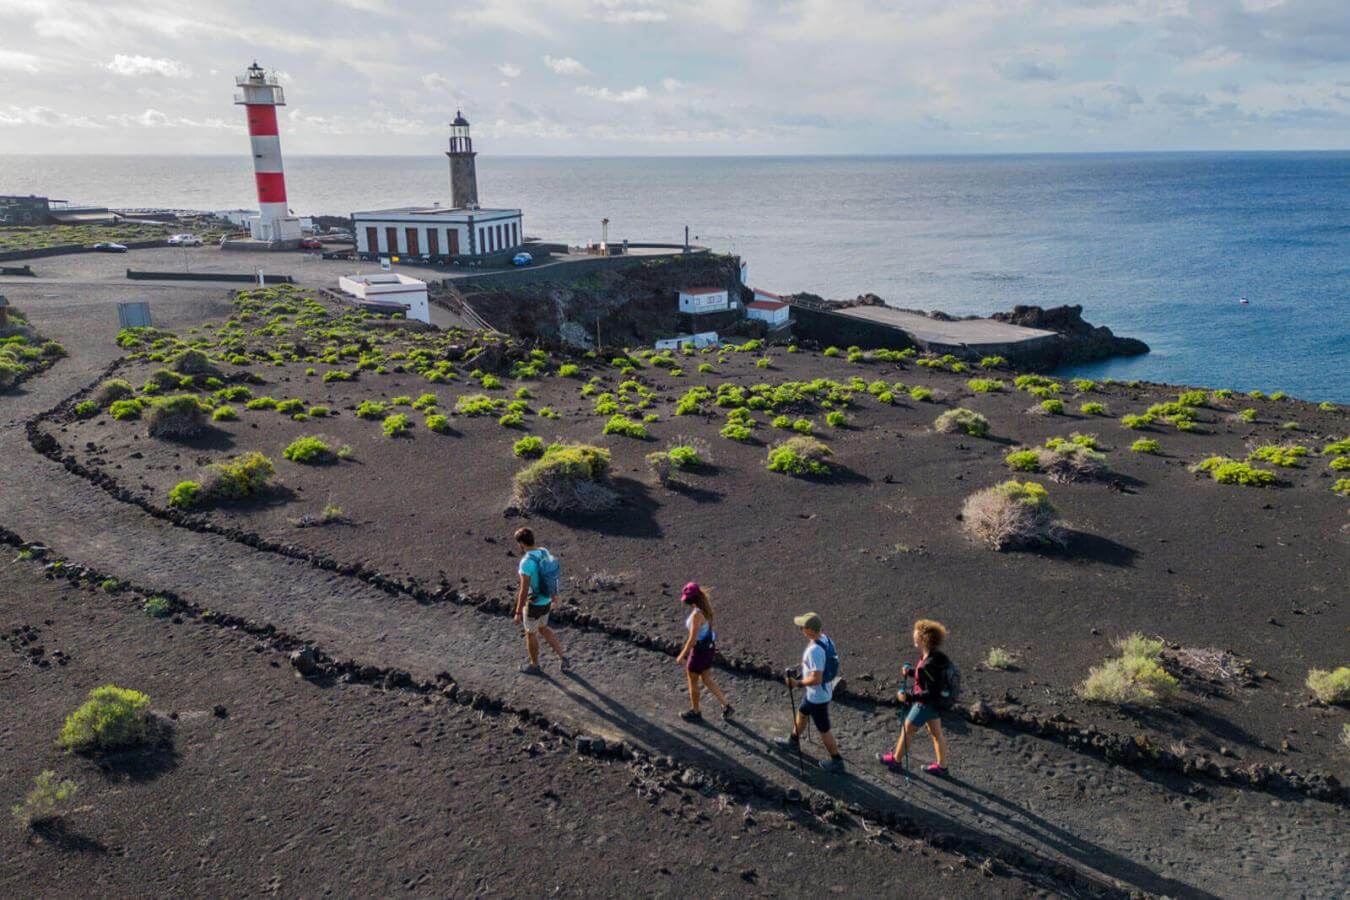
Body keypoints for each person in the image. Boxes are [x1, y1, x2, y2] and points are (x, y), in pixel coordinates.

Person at [878, 619, 951, 776]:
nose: (913, 634)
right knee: (937, 734)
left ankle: (896, 760)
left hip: (925, 704)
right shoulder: (936, 657)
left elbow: (930, 690)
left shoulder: (928, 663)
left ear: (923, 639)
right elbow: (929, 678)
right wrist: (911, 672)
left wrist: (908, 697)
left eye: (916, 633)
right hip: (937, 703)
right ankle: (942, 767)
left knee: (908, 729)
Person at [777, 612, 844, 773]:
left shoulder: (815, 650)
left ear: (811, 630)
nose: (801, 629)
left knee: (824, 729)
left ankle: (837, 761)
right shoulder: (825, 639)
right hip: (820, 692)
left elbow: (817, 678)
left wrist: (797, 683)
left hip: (817, 696)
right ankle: (793, 741)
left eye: (803, 627)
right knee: (802, 712)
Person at [673, 583, 733, 722]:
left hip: (699, 652)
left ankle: (696, 711)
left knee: (693, 681)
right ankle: (726, 705)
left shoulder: (696, 615)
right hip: (709, 649)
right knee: (706, 678)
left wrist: (682, 655)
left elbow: (692, 639)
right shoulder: (707, 609)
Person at [513, 527, 569, 675]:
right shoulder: (544, 551)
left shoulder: (526, 562)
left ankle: (534, 665)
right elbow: (551, 576)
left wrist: (518, 612)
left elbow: (524, 590)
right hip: (547, 601)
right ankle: (563, 657)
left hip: (534, 604)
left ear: (521, 543)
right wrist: (554, 597)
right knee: (543, 628)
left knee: (530, 633)